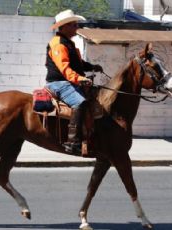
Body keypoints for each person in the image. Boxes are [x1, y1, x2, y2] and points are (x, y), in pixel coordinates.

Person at [45, 9, 103, 154]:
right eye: (73, 25)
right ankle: (72, 142)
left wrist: (92, 67)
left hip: (69, 81)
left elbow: (78, 63)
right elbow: (65, 69)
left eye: (76, 24)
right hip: (59, 83)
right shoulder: (58, 44)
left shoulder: (68, 43)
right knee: (80, 102)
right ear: (64, 27)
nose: (76, 27)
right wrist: (81, 79)